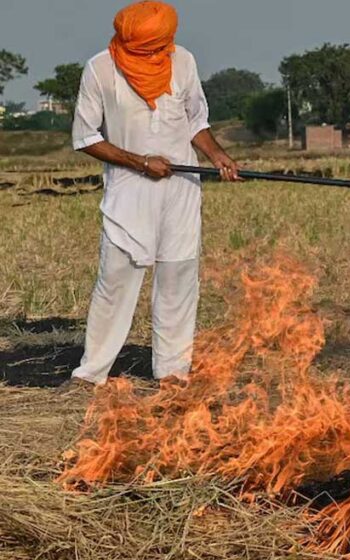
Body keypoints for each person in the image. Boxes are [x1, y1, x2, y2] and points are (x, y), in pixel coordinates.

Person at [58, 1, 239, 392]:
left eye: (161, 46)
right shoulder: (100, 69)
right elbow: (86, 137)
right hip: (130, 190)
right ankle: (91, 373)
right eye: (148, 48)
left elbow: (195, 120)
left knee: (178, 277)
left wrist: (217, 156)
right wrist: (140, 162)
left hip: (181, 188)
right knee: (116, 279)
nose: (157, 54)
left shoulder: (183, 61)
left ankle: (173, 371)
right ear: (129, 41)